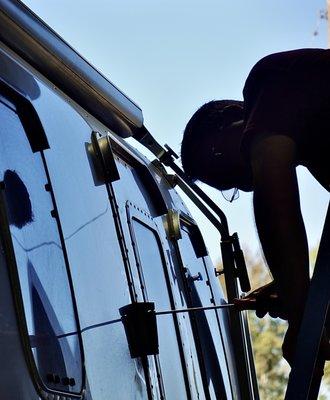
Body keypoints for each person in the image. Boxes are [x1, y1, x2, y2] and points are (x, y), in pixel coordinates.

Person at [180, 48, 330, 365]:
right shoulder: (322, 152)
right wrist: (303, 289)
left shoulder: (269, 76)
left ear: (234, 117)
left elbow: (274, 188)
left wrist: (301, 311)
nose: (247, 185)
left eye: (223, 169)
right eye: (231, 187)